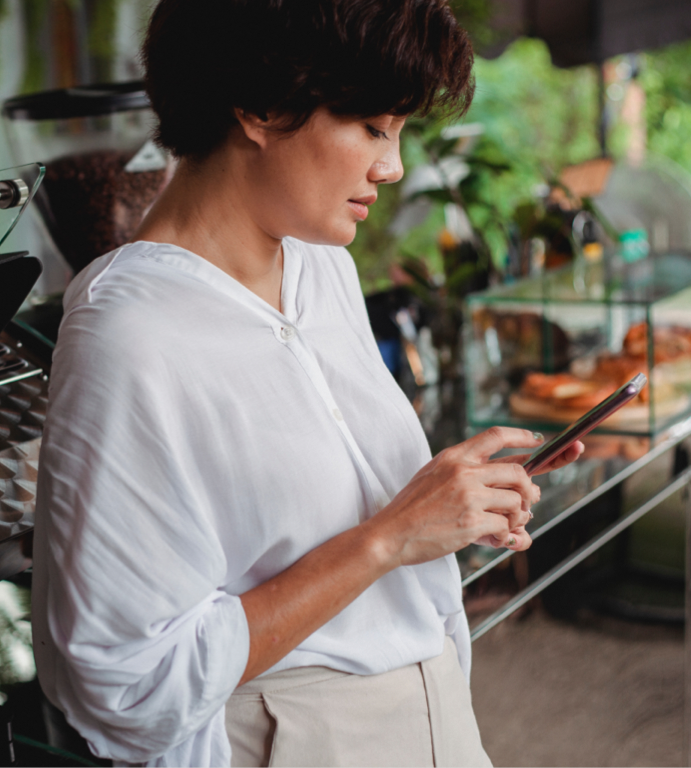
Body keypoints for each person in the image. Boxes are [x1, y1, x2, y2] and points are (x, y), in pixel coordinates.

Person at [32, 1, 584, 766]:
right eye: (373, 127)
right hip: (296, 739)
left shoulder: (322, 267)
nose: (391, 166)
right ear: (261, 106)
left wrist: (449, 504)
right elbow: (125, 686)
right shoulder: (132, 333)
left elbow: (325, 513)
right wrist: (388, 539)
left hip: (436, 709)